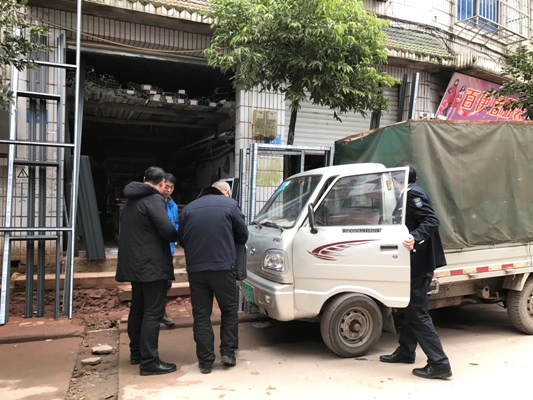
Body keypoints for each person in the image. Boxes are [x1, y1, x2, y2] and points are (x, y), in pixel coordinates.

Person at [379, 162, 452, 379]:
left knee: (417, 312)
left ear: (398, 179)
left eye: (393, 178)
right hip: (412, 264)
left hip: (419, 265)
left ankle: (439, 363)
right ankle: (406, 351)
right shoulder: (408, 194)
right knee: (409, 308)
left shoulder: (413, 194)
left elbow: (431, 220)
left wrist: (414, 237)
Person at [178, 180, 248, 374]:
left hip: (196, 268)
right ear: (225, 192)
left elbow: (182, 239)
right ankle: (228, 353)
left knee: (201, 315)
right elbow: (243, 235)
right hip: (223, 267)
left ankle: (205, 362)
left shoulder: (189, 209)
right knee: (229, 309)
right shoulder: (231, 205)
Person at [116, 166, 178, 376]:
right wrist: (179, 232)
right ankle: (150, 361)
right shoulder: (154, 199)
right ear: (161, 183)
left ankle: (136, 353)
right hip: (151, 265)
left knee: (138, 309)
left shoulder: (132, 199)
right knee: (153, 312)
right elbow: (168, 231)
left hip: (135, 264)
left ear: (144, 179)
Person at [161, 172, 179, 327]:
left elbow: (175, 224)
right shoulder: (155, 203)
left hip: (169, 250)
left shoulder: (173, 205)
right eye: (166, 186)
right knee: (157, 283)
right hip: (156, 250)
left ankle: (160, 311)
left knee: (167, 283)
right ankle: (157, 313)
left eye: (171, 187)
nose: (168, 190)